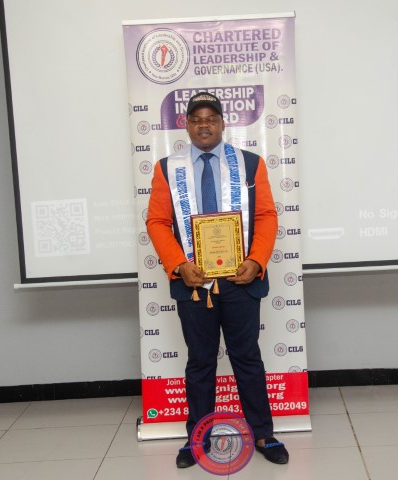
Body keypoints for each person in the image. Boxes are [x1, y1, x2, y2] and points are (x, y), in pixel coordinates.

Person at [146, 91, 289, 467]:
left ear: (223, 123)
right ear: (186, 126)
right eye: (196, 119)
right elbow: (157, 222)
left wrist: (256, 260)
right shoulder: (167, 168)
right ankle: (198, 437)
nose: (204, 125)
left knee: (248, 358)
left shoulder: (250, 163)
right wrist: (179, 264)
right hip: (194, 284)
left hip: (242, 280)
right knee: (200, 362)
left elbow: (266, 216)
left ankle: (263, 433)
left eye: (211, 118)